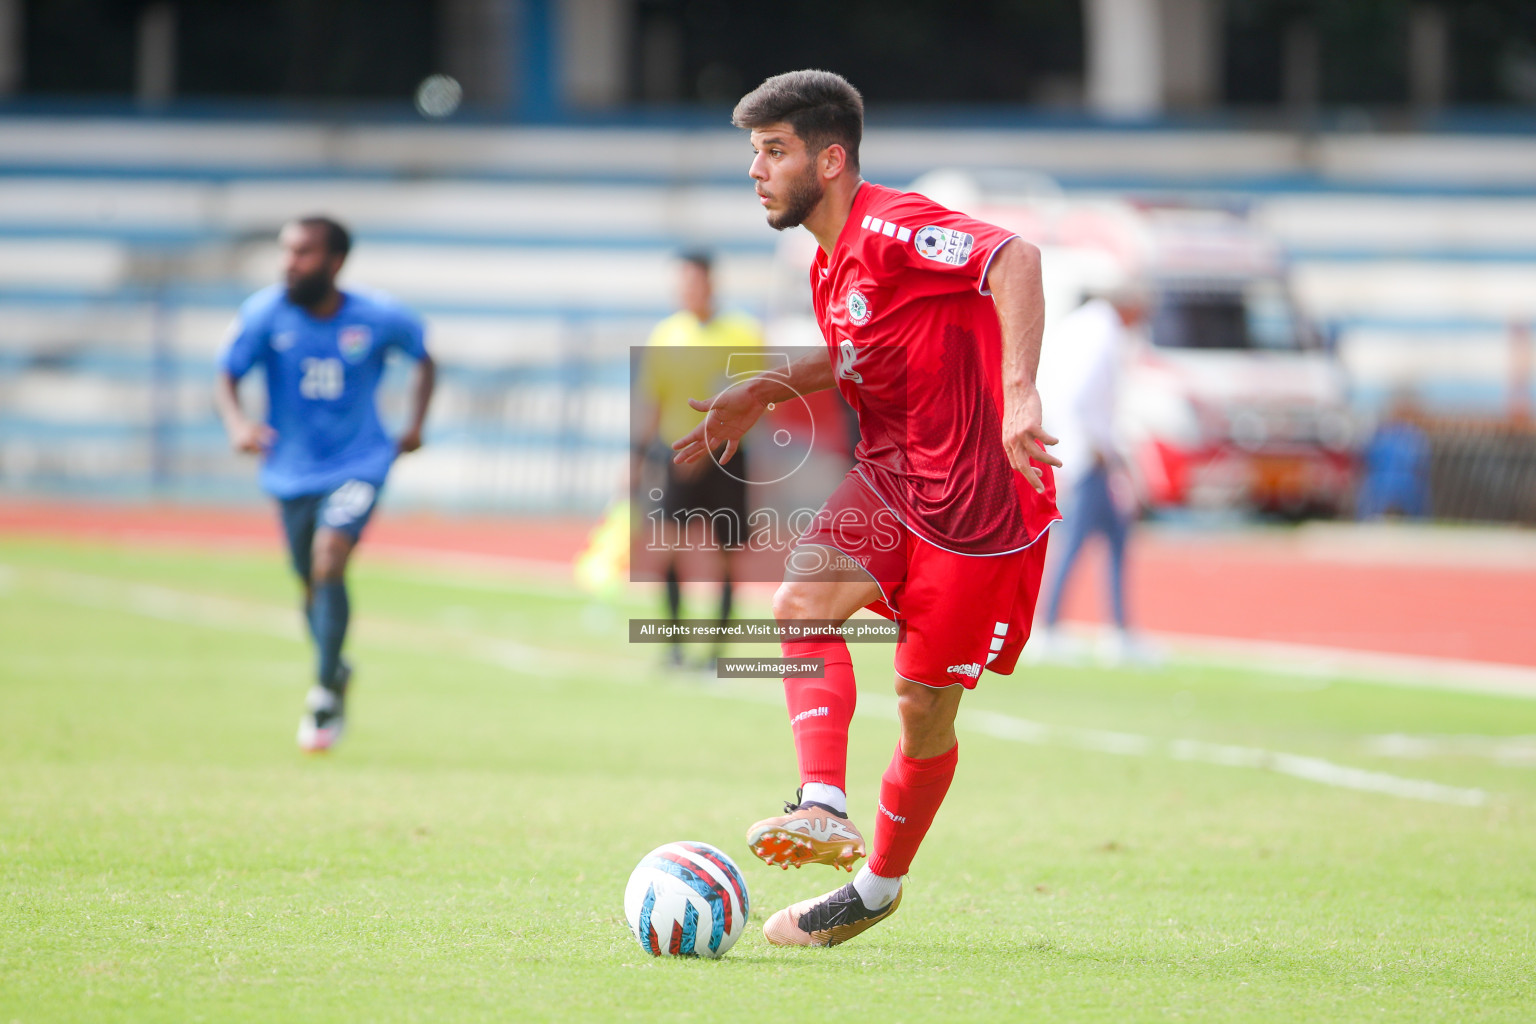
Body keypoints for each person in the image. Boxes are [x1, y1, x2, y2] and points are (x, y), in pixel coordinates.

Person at [672, 70, 1060, 947]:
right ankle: (820, 804)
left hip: (976, 505)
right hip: (891, 479)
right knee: (798, 602)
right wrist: (761, 389)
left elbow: (1016, 259)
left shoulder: (892, 224)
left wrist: (1022, 393)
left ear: (831, 157)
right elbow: (852, 349)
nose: (757, 171)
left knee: (924, 710)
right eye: (754, 153)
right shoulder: (826, 260)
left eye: (774, 151)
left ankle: (877, 889)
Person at [215, 215, 435, 753]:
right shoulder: (265, 312)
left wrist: (414, 426)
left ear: (335, 261)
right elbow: (227, 371)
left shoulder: (378, 315)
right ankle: (335, 667)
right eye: (287, 252)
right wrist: (239, 425)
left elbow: (425, 359)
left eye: (304, 253)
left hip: (360, 462)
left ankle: (323, 695)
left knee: (329, 556)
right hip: (290, 471)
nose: (290, 263)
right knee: (310, 583)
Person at [633, 251, 764, 668]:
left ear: (711, 283)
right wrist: (636, 458)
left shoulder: (743, 333)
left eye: (695, 280)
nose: (688, 289)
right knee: (668, 549)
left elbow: (752, 401)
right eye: (683, 281)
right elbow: (653, 400)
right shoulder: (665, 334)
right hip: (674, 454)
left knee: (726, 553)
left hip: (726, 456)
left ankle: (716, 654)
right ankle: (674, 649)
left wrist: (705, 450)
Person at [1037, 288, 1143, 659]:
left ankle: (1117, 630)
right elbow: (1083, 396)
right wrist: (1100, 445)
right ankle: (1053, 628)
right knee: (1078, 541)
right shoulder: (1102, 333)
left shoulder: (1082, 327)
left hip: (1081, 450)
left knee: (1110, 538)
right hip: (1089, 455)